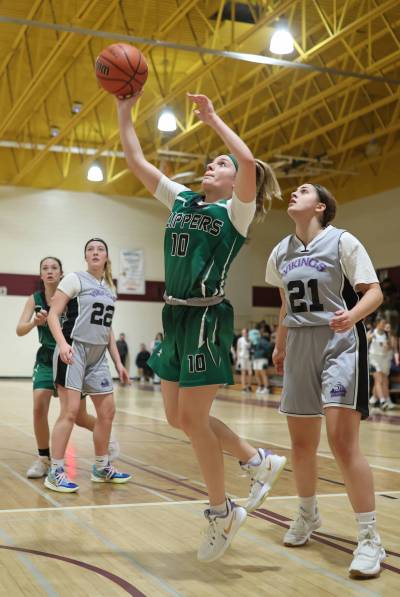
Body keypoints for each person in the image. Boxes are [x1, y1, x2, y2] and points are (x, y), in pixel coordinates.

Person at [117, 91, 286, 563]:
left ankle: (222, 511)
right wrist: (124, 106)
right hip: (173, 315)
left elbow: (249, 161)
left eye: (219, 164)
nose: (210, 167)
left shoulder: (236, 212)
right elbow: (135, 160)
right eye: (212, 163)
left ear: (235, 183)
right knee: (177, 418)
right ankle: (256, 460)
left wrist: (212, 119)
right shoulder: (184, 199)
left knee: (192, 420)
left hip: (207, 316)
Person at [266, 182, 386, 578]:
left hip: (338, 343)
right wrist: (280, 345)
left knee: (340, 440)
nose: (292, 194)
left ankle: (370, 538)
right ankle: (307, 515)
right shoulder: (280, 252)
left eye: (302, 191)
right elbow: (285, 303)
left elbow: (374, 293)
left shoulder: (342, 242)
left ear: (319, 206)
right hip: (299, 343)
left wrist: (352, 316)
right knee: (301, 445)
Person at [16, 256, 119, 479]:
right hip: (47, 357)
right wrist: (35, 322)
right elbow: (19, 329)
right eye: (45, 268)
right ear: (40, 275)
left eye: (54, 268)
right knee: (38, 406)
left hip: (73, 357)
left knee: (79, 416)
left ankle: (106, 438)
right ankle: (44, 458)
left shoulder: (72, 292)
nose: (50, 271)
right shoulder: (35, 299)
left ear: (62, 273)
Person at [46, 239, 131, 492]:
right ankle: (56, 471)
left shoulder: (108, 288)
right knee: (70, 412)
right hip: (74, 350)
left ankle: (102, 466)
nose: (95, 252)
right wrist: (62, 344)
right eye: (90, 250)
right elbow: (53, 314)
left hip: (98, 356)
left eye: (100, 249)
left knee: (107, 412)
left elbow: (108, 329)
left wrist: (118, 362)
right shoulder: (74, 279)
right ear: (86, 256)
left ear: (106, 257)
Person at [368, 317, 396, 410]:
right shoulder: (372, 332)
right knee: (378, 379)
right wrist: (369, 338)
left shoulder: (386, 335)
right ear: (378, 323)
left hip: (383, 360)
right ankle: (383, 401)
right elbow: (365, 340)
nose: (384, 325)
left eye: (385, 323)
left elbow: (388, 348)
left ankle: (374, 399)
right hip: (373, 359)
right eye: (383, 323)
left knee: (383, 381)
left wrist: (386, 346)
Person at [236, 328, 253, 392]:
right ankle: (243, 387)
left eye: (245, 332)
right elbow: (238, 349)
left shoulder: (250, 340)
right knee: (243, 373)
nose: (244, 333)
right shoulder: (240, 340)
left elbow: (251, 349)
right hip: (242, 357)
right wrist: (238, 359)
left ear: (247, 333)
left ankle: (249, 386)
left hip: (248, 358)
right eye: (242, 332)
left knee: (250, 373)